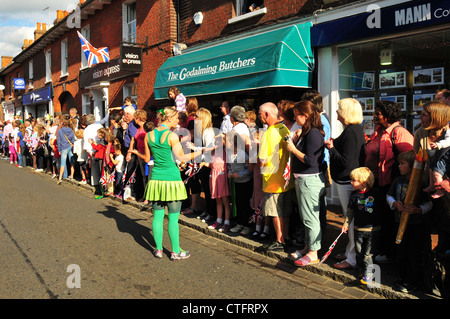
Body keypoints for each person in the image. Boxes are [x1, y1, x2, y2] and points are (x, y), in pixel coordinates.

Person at [133, 106, 203, 260]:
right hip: (172, 180)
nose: (178, 121)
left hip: (156, 179)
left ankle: (158, 249)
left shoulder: (148, 135)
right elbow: (183, 158)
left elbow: (146, 159)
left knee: (157, 216)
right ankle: (175, 251)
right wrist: (200, 152)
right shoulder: (171, 136)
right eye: (177, 118)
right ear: (169, 118)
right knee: (173, 218)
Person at [365, 100, 414, 264]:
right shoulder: (379, 131)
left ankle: (390, 253)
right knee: (381, 218)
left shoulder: (399, 133)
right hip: (378, 183)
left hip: (391, 184)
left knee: (389, 220)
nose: (374, 116)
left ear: (387, 116)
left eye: (378, 113)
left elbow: (410, 159)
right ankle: (382, 250)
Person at [324, 98, 366, 270]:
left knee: (350, 220)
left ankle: (352, 258)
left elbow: (346, 162)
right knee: (350, 219)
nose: (336, 112)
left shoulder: (351, 132)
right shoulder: (353, 130)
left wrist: (331, 148)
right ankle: (350, 252)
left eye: (339, 109)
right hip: (347, 181)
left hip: (347, 182)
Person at [386, 150, 433, 293]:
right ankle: (403, 277)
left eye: (402, 164)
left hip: (416, 225)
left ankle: (412, 281)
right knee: (402, 252)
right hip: (400, 222)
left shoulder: (421, 183)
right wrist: (395, 204)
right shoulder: (397, 181)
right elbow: (389, 195)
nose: (399, 166)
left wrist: (417, 210)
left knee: (413, 253)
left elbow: (429, 204)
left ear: (412, 166)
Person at [285, 100, 325, 266]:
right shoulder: (307, 132)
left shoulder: (314, 134)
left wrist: (293, 149)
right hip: (303, 179)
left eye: (296, 116)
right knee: (306, 217)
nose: (295, 119)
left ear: (305, 115)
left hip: (310, 180)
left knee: (310, 218)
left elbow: (311, 160)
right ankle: (309, 247)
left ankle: (313, 252)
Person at [258, 102, 294, 252]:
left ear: (267, 114)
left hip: (272, 180)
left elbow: (263, 160)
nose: (260, 117)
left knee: (274, 212)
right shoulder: (284, 128)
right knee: (285, 211)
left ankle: (279, 240)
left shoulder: (269, 132)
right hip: (286, 179)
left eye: (260, 114)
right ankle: (285, 237)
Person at [341, 167, 381, 286]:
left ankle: (369, 274)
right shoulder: (354, 195)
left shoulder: (376, 193)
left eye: (354, 180)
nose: (351, 182)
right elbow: (350, 212)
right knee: (359, 251)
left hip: (372, 230)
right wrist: (346, 223)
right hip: (358, 229)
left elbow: (382, 209)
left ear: (363, 182)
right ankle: (362, 270)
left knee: (368, 254)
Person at [227, 106, 253, 235]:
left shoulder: (239, 130)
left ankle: (247, 225)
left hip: (244, 180)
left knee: (245, 203)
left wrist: (239, 174)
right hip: (237, 180)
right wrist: (231, 172)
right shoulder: (234, 152)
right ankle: (240, 223)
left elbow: (249, 168)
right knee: (239, 202)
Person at [207, 134, 231, 232]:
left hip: (221, 178)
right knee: (218, 200)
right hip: (214, 177)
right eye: (217, 141)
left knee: (225, 200)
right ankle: (219, 219)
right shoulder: (214, 152)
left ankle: (227, 221)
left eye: (220, 140)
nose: (218, 142)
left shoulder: (226, 152)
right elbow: (212, 164)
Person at [127, 109, 148, 201]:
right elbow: (133, 140)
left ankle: (148, 197)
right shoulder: (138, 129)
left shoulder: (146, 128)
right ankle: (144, 195)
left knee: (148, 176)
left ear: (139, 118)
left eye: (135, 118)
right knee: (143, 175)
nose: (134, 120)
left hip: (146, 154)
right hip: (139, 154)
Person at [89, 127, 108, 199]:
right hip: (99, 158)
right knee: (100, 173)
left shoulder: (102, 142)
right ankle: (101, 189)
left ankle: (102, 189)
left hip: (100, 158)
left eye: (98, 133)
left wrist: (92, 143)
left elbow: (97, 148)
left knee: (101, 173)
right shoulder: (101, 141)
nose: (97, 134)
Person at [56, 118, 75, 185]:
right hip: (69, 146)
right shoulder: (71, 130)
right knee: (71, 161)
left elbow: (59, 141)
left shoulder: (60, 131)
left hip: (63, 147)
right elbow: (73, 140)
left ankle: (60, 178)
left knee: (63, 163)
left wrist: (59, 149)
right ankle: (72, 176)